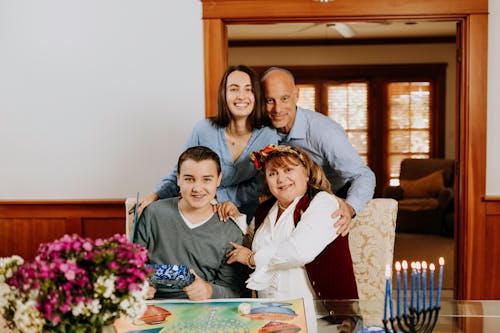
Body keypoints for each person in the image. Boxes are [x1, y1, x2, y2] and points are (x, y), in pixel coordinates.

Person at [226, 144, 358, 332]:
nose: (281, 179)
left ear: (307, 173)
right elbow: (249, 243)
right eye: (272, 174)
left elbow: (298, 251)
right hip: (270, 314)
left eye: (288, 169)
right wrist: (234, 216)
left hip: (317, 316)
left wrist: (251, 258)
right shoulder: (266, 209)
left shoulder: (323, 203)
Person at [138, 65, 278, 221]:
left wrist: (221, 197)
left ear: (256, 95)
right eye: (233, 89)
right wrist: (155, 195)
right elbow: (181, 170)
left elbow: (261, 183)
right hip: (200, 211)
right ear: (223, 95)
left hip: (243, 217)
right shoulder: (203, 129)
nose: (241, 96)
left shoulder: (269, 136)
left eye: (248, 89)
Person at [261, 67, 376, 234]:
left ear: (297, 95)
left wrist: (350, 208)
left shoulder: (325, 132)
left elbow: (363, 175)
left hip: (330, 197)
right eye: (270, 100)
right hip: (284, 202)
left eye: (284, 98)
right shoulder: (261, 130)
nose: (277, 109)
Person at [134, 146, 246, 300]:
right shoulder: (153, 214)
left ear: (219, 179)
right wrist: (138, 285)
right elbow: (131, 268)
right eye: (189, 179)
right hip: (155, 305)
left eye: (206, 179)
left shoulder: (231, 231)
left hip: (204, 308)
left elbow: (233, 291)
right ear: (178, 178)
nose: (197, 188)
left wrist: (208, 290)